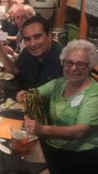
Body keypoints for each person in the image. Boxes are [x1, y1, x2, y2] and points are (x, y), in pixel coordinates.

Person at [17, 40, 98, 174]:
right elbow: (34, 94)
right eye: (69, 62)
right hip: (52, 147)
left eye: (81, 64)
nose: (73, 68)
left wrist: (42, 129)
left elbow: (80, 131)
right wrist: (25, 96)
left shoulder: (94, 93)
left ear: (90, 66)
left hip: (78, 158)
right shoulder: (60, 83)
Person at [0, 16, 63, 90]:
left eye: (37, 37)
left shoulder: (63, 59)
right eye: (27, 39)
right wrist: (0, 52)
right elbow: (14, 70)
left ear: (49, 36)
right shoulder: (28, 51)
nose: (32, 44)